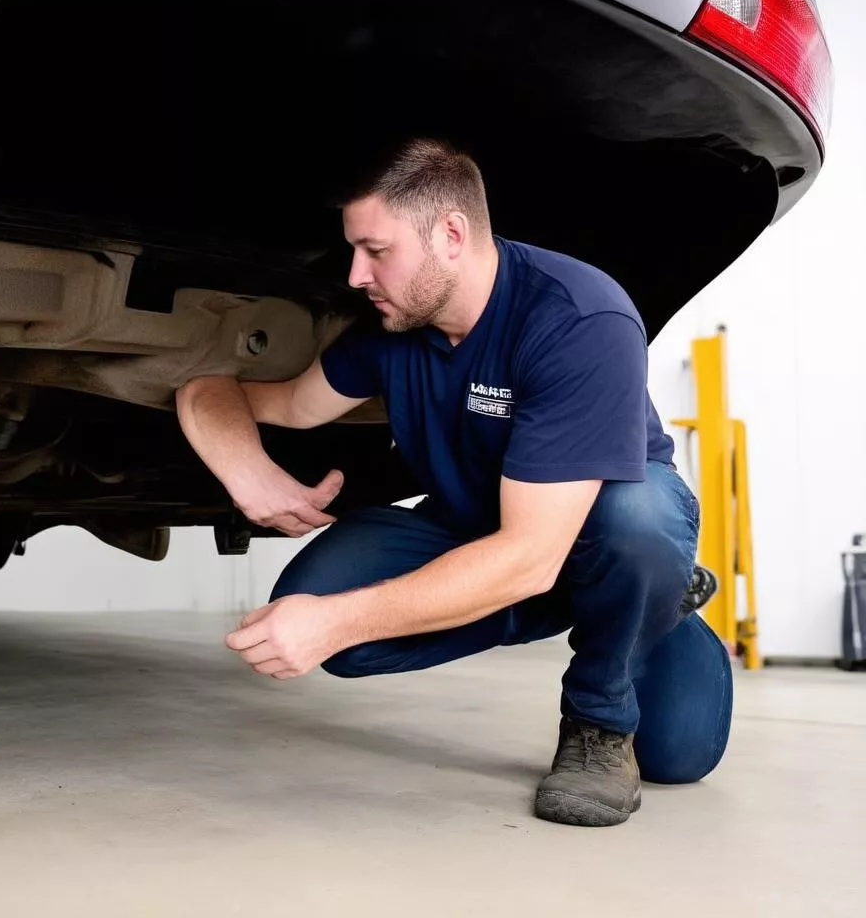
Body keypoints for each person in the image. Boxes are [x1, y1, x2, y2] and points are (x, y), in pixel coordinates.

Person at [176, 138, 733, 827]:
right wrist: (248, 471)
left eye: (376, 251)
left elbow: (529, 552)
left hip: (599, 523)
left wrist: (333, 621)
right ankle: (615, 594)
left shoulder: (579, 318)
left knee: (672, 724)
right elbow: (231, 394)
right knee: (316, 608)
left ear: (450, 235)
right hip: (480, 525)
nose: (354, 275)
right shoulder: (389, 332)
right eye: (354, 250)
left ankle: (601, 712)